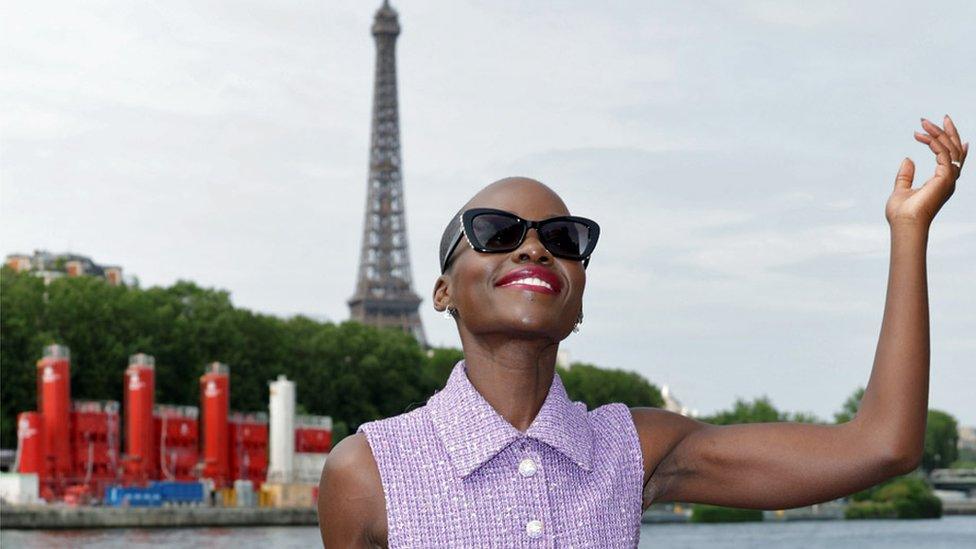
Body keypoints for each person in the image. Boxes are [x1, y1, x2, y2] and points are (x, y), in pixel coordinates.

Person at [317, 115, 967, 548]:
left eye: (564, 239)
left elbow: (884, 444)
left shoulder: (633, 449)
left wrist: (908, 234)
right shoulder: (367, 471)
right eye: (497, 231)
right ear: (442, 291)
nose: (535, 248)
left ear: (578, 300)